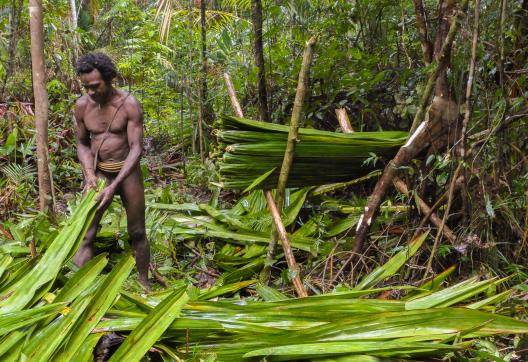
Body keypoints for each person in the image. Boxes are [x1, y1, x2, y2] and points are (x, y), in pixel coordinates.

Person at [73, 52, 150, 290]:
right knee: (87, 233)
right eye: (86, 87)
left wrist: (115, 186)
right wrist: (89, 174)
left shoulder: (129, 104)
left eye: (95, 86)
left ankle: (144, 283)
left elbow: (136, 149)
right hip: (100, 173)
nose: (91, 92)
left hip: (127, 174)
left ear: (109, 79)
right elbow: (83, 143)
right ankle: (77, 287)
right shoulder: (82, 106)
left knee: (137, 231)